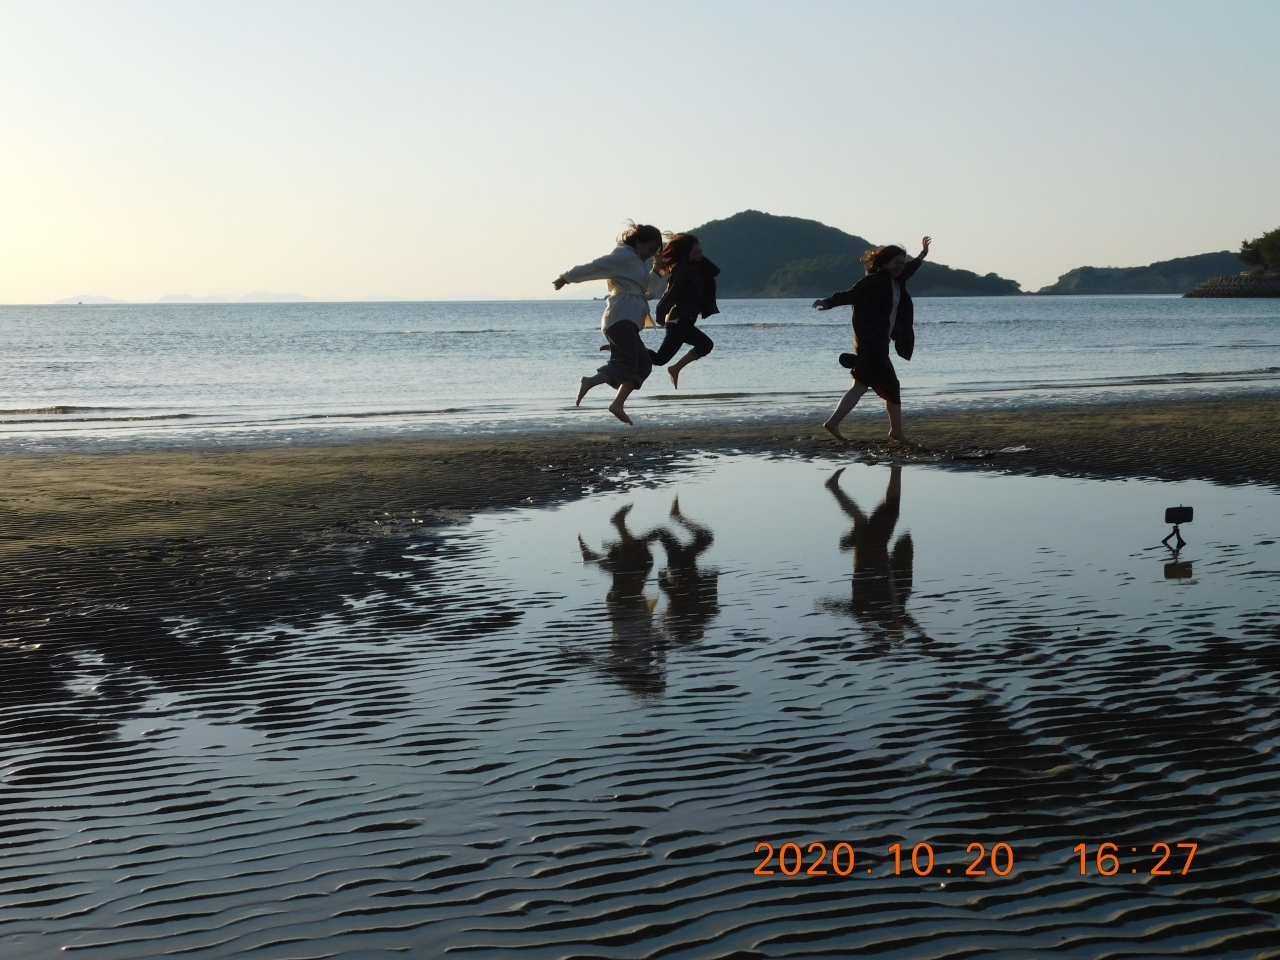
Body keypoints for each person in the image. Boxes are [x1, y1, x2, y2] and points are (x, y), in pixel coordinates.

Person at [813, 236, 932, 443]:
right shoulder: (875, 281)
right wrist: (828, 302)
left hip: (879, 342)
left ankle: (834, 423)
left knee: (863, 385)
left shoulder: (897, 280)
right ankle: (895, 431)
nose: (900, 266)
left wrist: (922, 254)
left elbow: (911, 268)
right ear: (885, 263)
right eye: (896, 262)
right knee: (888, 386)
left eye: (902, 262)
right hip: (871, 342)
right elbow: (852, 294)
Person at [554, 223, 668, 424]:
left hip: (628, 320)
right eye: (650, 249)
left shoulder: (638, 262)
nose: (651, 254)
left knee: (643, 364)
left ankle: (617, 404)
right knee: (627, 364)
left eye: (654, 251)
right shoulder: (623, 256)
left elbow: (648, 291)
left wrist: (657, 266)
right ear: (638, 242)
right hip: (620, 317)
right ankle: (590, 381)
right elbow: (595, 267)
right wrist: (567, 278)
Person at [650, 233, 719, 388]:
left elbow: (714, 270)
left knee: (705, 345)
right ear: (684, 255)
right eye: (695, 253)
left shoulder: (694, 267)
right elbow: (671, 294)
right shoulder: (681, 270)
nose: (699, 256)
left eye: (701, 252)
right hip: (678, 321)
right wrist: (660, 313)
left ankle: (675, 368)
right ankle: (626, 349)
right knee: (660, 359)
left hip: (685, 320)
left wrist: (695, 256)